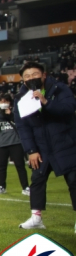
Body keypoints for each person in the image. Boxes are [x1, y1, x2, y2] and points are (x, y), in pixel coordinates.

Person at [13, 61, 76, 230]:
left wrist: (46, 102)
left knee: (74, 180)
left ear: (44, 75)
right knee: (37, 180)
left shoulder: (60, 89)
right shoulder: (21, 99)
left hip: (66, 144)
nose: (31, 78)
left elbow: (69, 109)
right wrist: (31, 150)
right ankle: (36, 218)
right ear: (23, 80)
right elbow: (22, 127)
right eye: (27, 76)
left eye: (34, 74)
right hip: (40, 148)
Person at [0, 94, 29, 195]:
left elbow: (20, 124)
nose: (3, 103)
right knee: (1, 167)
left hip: (15, 142)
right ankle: (1, 186)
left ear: (9, 102)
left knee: (20, 165)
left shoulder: (16, 112)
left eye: (5, 101)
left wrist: (10, 114)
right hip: (1, 143)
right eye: (1, 101)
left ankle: (25, 187)